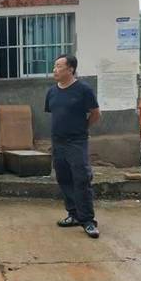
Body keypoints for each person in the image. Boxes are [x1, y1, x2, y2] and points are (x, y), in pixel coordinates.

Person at [45, 54, 101, 239]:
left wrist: (81, 129)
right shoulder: (52, 92)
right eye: (54, 66)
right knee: (64, 178)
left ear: (70, 69)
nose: (55, 70)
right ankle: (73, 214)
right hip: (58, 141)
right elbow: (55, 115)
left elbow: (95, 114)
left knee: (81, 178)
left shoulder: (83, 89)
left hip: (76, 142)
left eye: (59, 66)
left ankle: (88, 221)